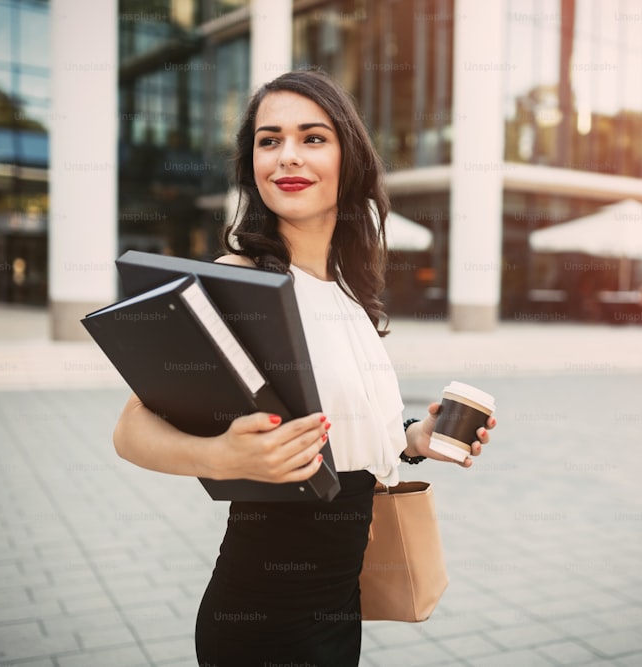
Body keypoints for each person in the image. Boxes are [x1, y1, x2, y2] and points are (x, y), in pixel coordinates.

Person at [111, 69, 496, 666]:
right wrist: (220, 457)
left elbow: (343, 438)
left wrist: (415, 439)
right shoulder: (240, 278)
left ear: (351, 158)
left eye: (313, 137)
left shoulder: (348, 291)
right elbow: (130, 430)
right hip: (266, 612)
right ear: (252, 164)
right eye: (269, 140)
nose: (287, 156)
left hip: (341, 603)